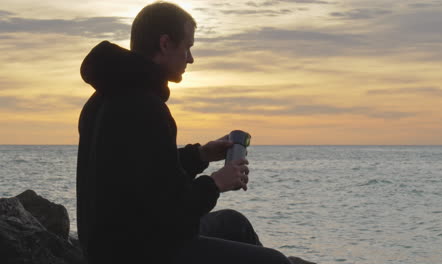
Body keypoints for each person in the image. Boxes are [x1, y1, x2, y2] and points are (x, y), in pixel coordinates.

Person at [77, 1, 314, 264]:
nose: (190, 58)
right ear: (165, 43)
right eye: (187, 47)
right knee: (275, 262)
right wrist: (216, 183)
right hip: (139, 251)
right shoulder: (145, 107)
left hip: (110, 243)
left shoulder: (102, 98)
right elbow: (172, 212)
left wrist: (200, 156)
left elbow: (144, 173)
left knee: (234, 223)